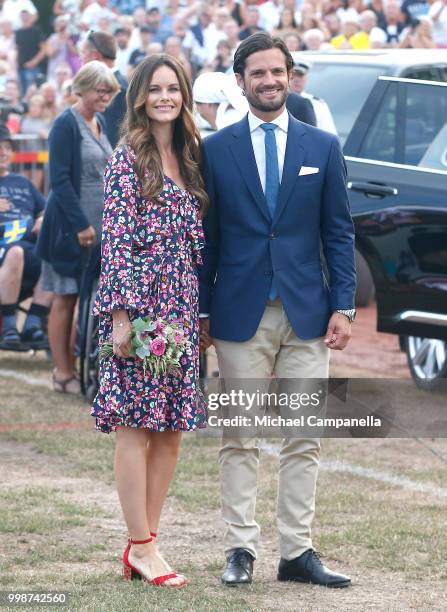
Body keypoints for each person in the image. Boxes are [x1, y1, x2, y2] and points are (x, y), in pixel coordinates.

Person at [199, 32, 356, 588]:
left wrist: (345, 304)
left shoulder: (322, 147)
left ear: (291, 76)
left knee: (303, 434)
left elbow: (338, 233)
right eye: (258, 73)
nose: (269, 81)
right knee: (240, 434)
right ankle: (239, 548)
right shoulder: (215, 150)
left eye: (278, 72)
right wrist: (201, 314)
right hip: (238, 312)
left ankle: (297, 552)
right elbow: (207, 241)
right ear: (239, 83)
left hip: (308, 313)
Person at [91, 54, 207, 587]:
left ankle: (148, 544)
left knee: (171, 431)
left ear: (184, 94)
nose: (165, 96)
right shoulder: (127, 158)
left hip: (179, 307)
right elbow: (116, 241)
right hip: (137, 308)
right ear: (139, 97)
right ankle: (139, 544)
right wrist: (119, 318)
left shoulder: (190, 154)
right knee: (135, 428)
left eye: (174, 88)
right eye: (155, 88)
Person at [37, 61, 119, 394]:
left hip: (98, 227)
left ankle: (77, 366)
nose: (107, 96)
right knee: (65, 297)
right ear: (82, 88)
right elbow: (59, 180)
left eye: (110, 91)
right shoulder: (65, 125)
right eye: (101, 90)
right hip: (69, 227)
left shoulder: (98, 121)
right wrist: (81, 225)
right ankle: (62, 372)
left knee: (85, 299)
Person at [0, 123, 51, 351]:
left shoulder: (24, 183)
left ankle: (33, 323)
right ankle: (9, 325)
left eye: (7, 147)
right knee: (16, 252)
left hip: (29, 246)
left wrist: (42, 219)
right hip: (5, 249)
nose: (3, 152)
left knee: (56, 255)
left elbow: (45, 209)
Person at [81, 30, 128, 149]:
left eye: (83, 53)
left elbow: (112, 137)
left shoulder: (116, 88)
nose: (81, 59)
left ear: (95, 55)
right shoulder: (117, 83)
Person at [289, 59, 337, 134]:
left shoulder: (318, 104)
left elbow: (329, 136)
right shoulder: (275, 101)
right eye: (293, 75)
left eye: (300, 75)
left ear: (307, 77)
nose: (296, 79)